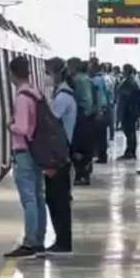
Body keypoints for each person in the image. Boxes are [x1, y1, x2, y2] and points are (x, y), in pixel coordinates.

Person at [4, 56, 46, 258]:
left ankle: (29, 243)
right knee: (38, 197)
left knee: (28, 199)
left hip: (24, 152)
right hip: (37, 151)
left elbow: (20, 128)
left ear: (12, 74)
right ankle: (39, 239)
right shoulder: (35, 92)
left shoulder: (21, 98)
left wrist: (9, 126)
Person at [44, 58, 77, 254]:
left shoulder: (63, 97)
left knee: (58, 200)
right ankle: (61, 240)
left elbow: (51, 123)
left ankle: (63, 242)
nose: (46, 77)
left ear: (56, 74)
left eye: (47, 72)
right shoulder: (63, 94)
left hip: (59, 154)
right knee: (56, 199)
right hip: (62, 153)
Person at [69, 58, 96, 185]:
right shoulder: (87, 79)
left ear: (73, 67)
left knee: (78, 148)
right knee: (86, 148)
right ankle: (85, 173)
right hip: (88, 118)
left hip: (81, 117)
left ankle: (81, 175)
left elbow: (80, 100)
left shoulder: (77, 80)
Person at [116, 64, 140, 160]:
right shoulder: (132, 80)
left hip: (129, 110)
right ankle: (130, 150)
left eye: (124, 70)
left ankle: (130, 151)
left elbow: (130, 96)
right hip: (130, 109)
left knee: (129, 131)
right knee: (130, 131)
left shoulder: (130, 82)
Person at [90, 59, 110, 163]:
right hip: (105, 107)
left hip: (100, 109)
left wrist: (98, 110)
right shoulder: (103, 78)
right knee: (102, 134)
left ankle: (102, 156)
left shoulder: (96, 80)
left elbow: (97, 95)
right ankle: (102, 155)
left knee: (99, 135)